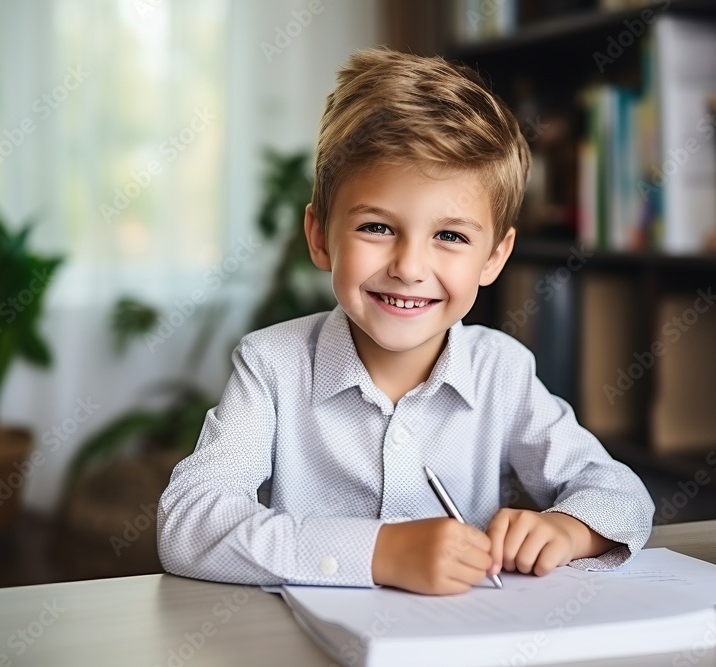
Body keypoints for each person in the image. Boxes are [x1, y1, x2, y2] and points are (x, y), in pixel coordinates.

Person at [157, 47, 654, 595]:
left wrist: (568, 529)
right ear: (321, 237)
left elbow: (620, 494)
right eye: (376, 227)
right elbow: (188, 523)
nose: (410, 268)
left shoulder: (502, 372)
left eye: (450, 236)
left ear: (494, 257)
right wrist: (377, 553)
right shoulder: (272, 365)